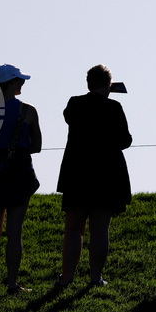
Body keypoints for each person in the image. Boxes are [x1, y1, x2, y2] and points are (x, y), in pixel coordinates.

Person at [56, 65, 132, 288]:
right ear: (108, 84)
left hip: (77, 173)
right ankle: (96, 277)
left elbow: (69, 119)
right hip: (107, 175)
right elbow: (125, 140)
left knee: (73, 229)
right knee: (100, 229)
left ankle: (67, 277)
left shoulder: (74, 104)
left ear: (88, 83)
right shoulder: (114, 107)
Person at [0, 64, 42, 295]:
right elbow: (37, 146)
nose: (22, 84)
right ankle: (12, 284)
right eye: (19, 81)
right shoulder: (28, 111)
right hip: (19, 172)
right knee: (15, 231)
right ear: (12, 83)